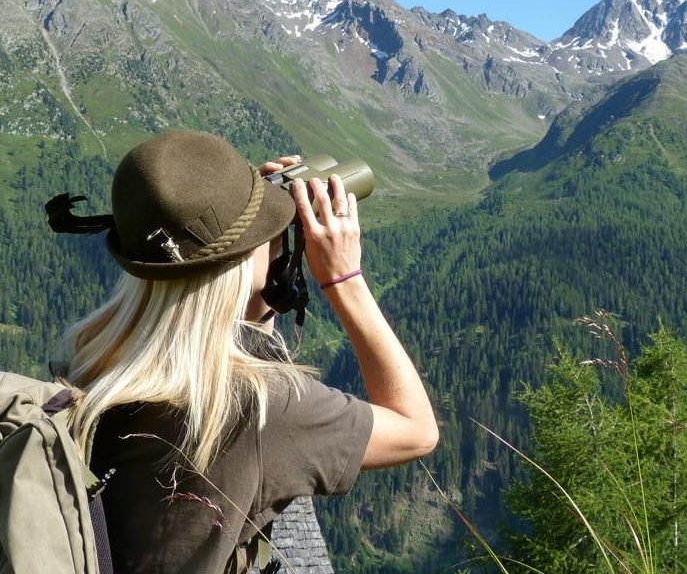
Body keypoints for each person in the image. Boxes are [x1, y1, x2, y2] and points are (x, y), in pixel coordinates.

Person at [50, 130, 438, 573]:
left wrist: (236, 211)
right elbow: (417, 430)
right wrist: (344, 279)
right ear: (237, 267)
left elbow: (214, 328)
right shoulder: (259, 408)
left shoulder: (86, 364)